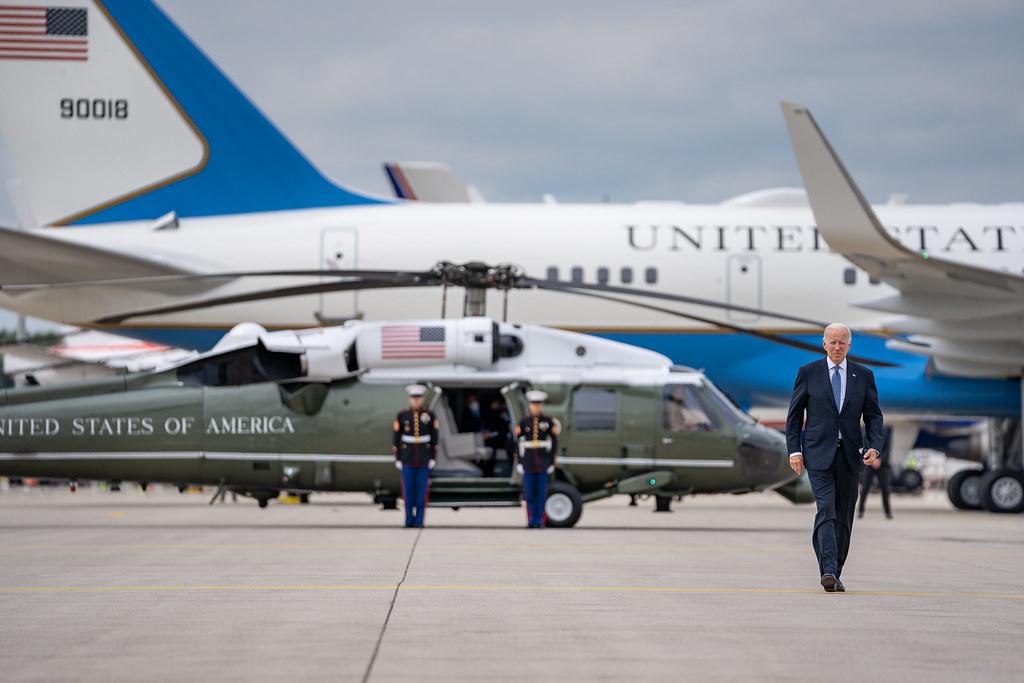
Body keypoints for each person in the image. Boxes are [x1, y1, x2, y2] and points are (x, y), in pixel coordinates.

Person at [785, 323, 884, 592]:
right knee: (826, 510)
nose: (837, 347)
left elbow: (873, 416)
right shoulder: (808, 373)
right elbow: (794, 417)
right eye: (833, 342)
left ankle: (835, 571)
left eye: (842, 342)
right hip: (818, 455)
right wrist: (794, 450)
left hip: (851, 456)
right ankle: (827, 569)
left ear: (849, 346)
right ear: (824, 344)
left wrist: (874, 446)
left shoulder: (863, 375)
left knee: (844, 518)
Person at [392, 384, 438, 528]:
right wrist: (398, 458)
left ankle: (419, 520)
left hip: (423, 458)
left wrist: (432, 458)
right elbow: (397, 439)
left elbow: (434, 439)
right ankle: (408, 520)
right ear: (409, 399)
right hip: (407, 457)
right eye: (413, 398)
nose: (416, 401)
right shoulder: (402, 415)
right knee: (408, 493)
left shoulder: (429, 415)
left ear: (423, 398)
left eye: (418, 398)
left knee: (421, 494)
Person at [516, 390, 559, 528]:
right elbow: (518, 442)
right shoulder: (524, 422)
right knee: (529, 494)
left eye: (538, 404)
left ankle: (540, 520)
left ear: (541, 406)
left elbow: (554, 442)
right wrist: (520, 462)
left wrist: (551, 461)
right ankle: (531, 520)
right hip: (528, 462)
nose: (536, 407)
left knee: (541, 494)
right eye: (533, 404)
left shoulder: (548, 421)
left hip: (542, 462)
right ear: (529, 406)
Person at [858, 446, 893, 519]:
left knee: (885, 488)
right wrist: (872, 459)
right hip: (870, 462)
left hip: (882, 464)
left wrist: (880, 459)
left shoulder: (888, 434)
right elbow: (866, 444)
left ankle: (887, 511)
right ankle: (860, 510)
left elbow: (887, 448)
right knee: (865, 487)